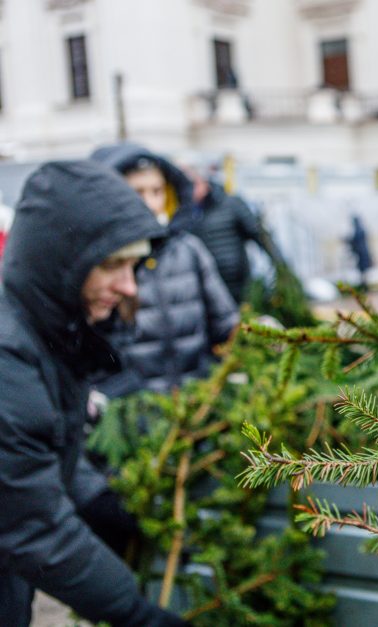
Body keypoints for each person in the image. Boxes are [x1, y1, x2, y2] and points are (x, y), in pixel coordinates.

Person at [0, 160, 186, 625]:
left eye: (133, 265)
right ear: (59, 257)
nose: (127, 285)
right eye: (110, 264)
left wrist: (97, 500)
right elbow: (30, 523)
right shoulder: (7, 354)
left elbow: (46, 444)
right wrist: (138, 614)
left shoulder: (48, 336)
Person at [90, 143, 239, 397]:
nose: (149, 202)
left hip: (196, 404)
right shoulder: (99, 262)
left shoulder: (188, 250)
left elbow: (224, 323)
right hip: (133, 412)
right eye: (137, 192)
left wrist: (255, 332)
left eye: (157, 191)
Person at [176, 155, 286, 303]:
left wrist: (282, 269)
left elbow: (260, 236)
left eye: (191, 184)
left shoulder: (231, 204)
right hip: (200, 290)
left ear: (203, 181)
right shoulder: (182, 212)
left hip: (236, 288)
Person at [346, 214, 374, 289]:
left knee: (363, 271)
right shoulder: (359, 230)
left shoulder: (359, 230)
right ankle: (364, 285)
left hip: (362, 254)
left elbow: (355, 241)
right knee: (362, 271)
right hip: (361, 254)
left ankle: (365, 286)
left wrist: (349, 241)